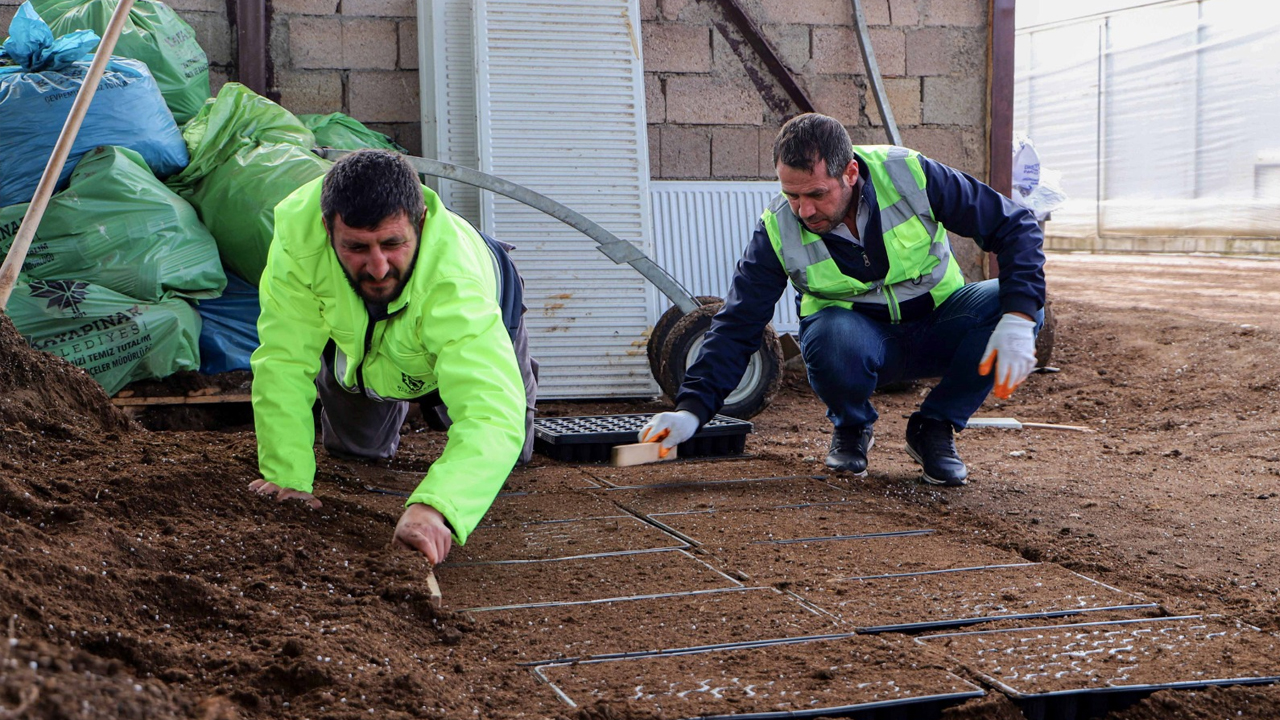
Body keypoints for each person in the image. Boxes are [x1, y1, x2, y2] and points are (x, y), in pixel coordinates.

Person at [640, 113, 1045, 486]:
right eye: (792, 195)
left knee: (1017, 305)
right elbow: (739, 321)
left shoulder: (908, 174)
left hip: (940, 322)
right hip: (854, 341)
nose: (804, 210)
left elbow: (1014, 225)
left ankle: (934, 428)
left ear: (851, 172)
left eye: (816, 194)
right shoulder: (778, 227)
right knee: (830, 334)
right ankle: (852, 428)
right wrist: (691, 410)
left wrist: (1019, 318)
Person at [247, 149, 537, 563]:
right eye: (356, 247)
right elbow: (283, 358)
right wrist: (287, 477)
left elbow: (491, 412)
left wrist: (436, 506)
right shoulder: (298, 241)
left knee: (513, 451)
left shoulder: (455, 284)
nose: (378, 267)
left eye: (392, 243)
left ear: (419, 222)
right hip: (364, 341)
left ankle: (487, 377)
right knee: (354, 450)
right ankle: (385, 385)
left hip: (477, 314)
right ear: (327, 228)